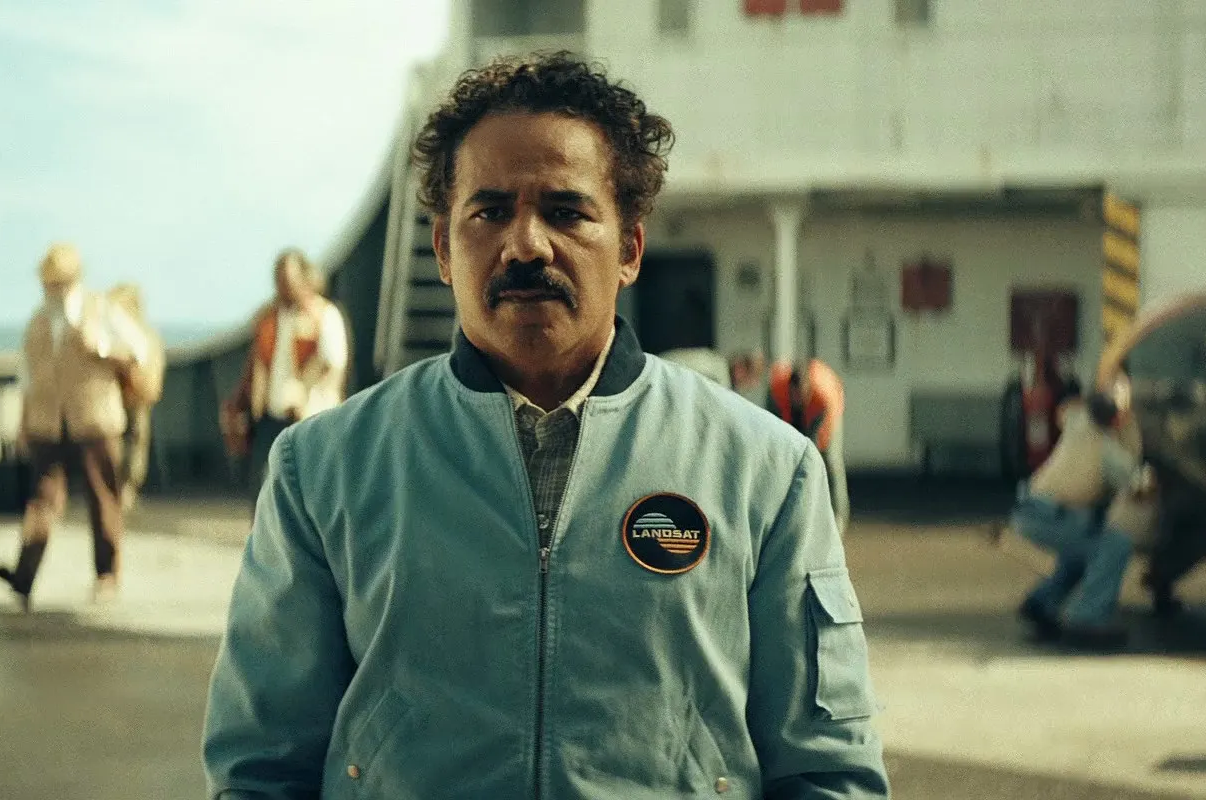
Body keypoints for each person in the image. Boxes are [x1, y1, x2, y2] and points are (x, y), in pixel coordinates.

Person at [202, 51, 890, 798]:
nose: (526, 244)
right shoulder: (323, 469)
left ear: (629, 248)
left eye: (566, 212)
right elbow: (260, 768)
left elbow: (828, 771)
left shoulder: (765, 471)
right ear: (443, 248)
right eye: (490, 211)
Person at [0, 243, 154, 608]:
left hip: (95, 420)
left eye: (59, 282)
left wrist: (101, 348)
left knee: (103, 497)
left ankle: (107, 575)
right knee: (42, 499)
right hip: (48, 423)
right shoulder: (38, 322)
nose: (52, 290)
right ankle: (24, 575)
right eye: (48, 283)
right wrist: (23, 425)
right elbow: (27, 379)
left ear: (74, 281)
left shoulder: (102, 310)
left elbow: (140, 350)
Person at [1007, 377, 1155, 649]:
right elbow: (1140, 488)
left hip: (1030, 508)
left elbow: (1066, 408)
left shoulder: (1079, 421)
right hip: (1053, 515)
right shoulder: (1111, 454)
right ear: (1120, 418)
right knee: (1115, 545)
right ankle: (1088, 618)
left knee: (1082, 552)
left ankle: (1041, 604)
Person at [220, 248, 349, 496]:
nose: (284, 287)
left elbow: (333, 366)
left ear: (305, 278)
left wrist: (306, 397)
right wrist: (242, 402)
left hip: (309, 418)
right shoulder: (270, 318)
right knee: (263, 486)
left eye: (289, 280)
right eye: (279, 280)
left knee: (305, 488)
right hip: (270, 415)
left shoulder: (324, 315)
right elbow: (256, 362)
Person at [767, 356, 850, 531]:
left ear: (808, 389)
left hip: (826, 410)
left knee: (831, 460)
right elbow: (771, 430)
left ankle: (839, 518)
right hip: (789, 414)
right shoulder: (776, 390)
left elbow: (816, 445)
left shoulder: (824, 398)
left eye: (802, 395)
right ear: (789, 390)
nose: (798, 400)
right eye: (795, 395)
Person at [104, 282, 166, 511]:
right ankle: (122, 487)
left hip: (135, 396)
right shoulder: (145, 333)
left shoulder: (140, 334)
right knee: (131, 441)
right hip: (126, 396)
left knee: (133, 441)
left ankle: (125, 487)